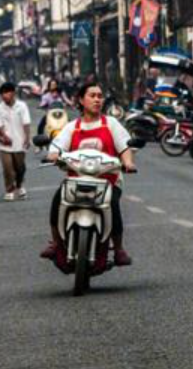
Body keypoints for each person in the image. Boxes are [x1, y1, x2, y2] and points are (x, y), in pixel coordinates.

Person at [41, 83, 135, 265]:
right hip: (76, 181)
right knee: (57, 201)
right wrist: (53, 155)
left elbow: (125, 147)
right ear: (81, 100)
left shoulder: (111, 123)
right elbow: (57, 146)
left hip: (108, 182)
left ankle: (118, 249)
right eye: (92, 96)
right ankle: (56, 243)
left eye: (100, 96)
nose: (97, 100)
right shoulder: (72, 127)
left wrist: (128, 162)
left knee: (113, 205)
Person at [0, 82, 31, 201]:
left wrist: (27, 138)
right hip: (5, 144)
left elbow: (26, 123)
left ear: (13, 93)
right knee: (7, 168)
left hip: (20, 142)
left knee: (20, 168)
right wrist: (4, 137)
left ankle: (20, 185)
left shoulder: (22, 106)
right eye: (2, 94)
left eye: (6, 93)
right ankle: (9, 190)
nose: (4, 96)